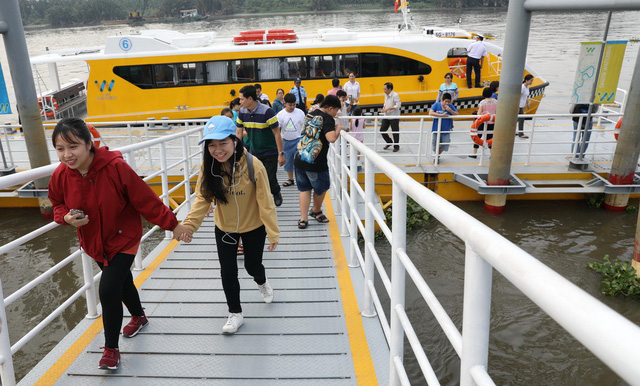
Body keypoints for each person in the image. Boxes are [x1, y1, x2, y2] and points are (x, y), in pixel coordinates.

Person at [48, 118, 191, 370]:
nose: (67, 154)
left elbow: (145, 199)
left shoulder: (115, 167)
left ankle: (111, 349)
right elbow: (57, 203)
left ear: (89, 144)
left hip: (124, 237)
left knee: (108, 289)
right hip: (94, 242)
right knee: (122, 282)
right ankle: (139, 316)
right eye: (60, 149)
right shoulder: (61, 174)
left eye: (73, 147)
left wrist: (173, 225)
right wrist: (66, 218)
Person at [178, 115, 279, 334]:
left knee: (252, 266)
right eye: (212, 145)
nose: (218, 150)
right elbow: (202, 199)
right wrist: (189, 226)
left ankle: (261, 281)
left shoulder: (254, 165)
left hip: (253, 225)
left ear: (235, 140)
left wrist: (273, 232)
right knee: (228, 271)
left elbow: (266, 202)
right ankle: (235, 313)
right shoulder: (208, 168)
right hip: (225, 227)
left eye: (223, 143)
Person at [295, 95, 344, 229]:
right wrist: (338, 128)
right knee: (321, 187)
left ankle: (303, 219)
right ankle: (316, 211)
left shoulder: (310, 114)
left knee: (304, 189)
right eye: (336, 111)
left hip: (300, 157)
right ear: (330, 108)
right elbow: (331, 138)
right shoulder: (327, 118)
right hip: (316, 163)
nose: (336, 114)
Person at [236, 85, 285, 207]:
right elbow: (239, 132)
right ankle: (262, 202)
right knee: (255, 178)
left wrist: (281, 154)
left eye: (242, 99)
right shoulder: (242, 112)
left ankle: (276, 191)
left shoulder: (267, 111)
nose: (240, 102)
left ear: (250, 99)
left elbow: (277, 133)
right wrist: (237, 151)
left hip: (270, 151)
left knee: (269, 177)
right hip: (254, 151)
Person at [277, 93, 306, 187]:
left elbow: (305, 126)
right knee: (288, 161)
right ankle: (290, 179)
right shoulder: (280, 115)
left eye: (294, 104)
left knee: (301, 160)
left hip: (299, 139)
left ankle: (302, 178)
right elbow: (277, 130)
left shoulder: (300, 112)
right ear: (285, 103)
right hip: (286, 140)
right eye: (290, 105)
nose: (292, 107)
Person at [470, 87, 497, 158]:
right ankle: (492, 154)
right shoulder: (495, 101)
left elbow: (479, 114)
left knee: (477, 136)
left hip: (483, 122)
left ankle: (474, 154)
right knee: (490, 138)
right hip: (492, 123)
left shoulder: (482, 102)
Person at [380, 82, 401, 152]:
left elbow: (398, 105)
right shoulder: (386, 95)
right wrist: (384, 107)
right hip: (387, 115)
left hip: (394, 116)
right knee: (382, 130)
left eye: (385, 89)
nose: (384, 90)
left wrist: (388, 108)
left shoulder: (395, 95)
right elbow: (385, 103)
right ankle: (389, 142)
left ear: (389, 89)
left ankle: (396, 146)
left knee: (395, 131)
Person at [517, 74, 534, 139]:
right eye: (530, 80)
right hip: (519, 106)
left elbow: (526, 96)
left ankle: (517, 132)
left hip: (522, 105)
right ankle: (521, 134)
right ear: (526, 80)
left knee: (518, 119)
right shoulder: (522, 87)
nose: (531, 82)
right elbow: (519, 96)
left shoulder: (527, 87)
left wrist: (527, 103)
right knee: (521, 119)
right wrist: (517, 107)